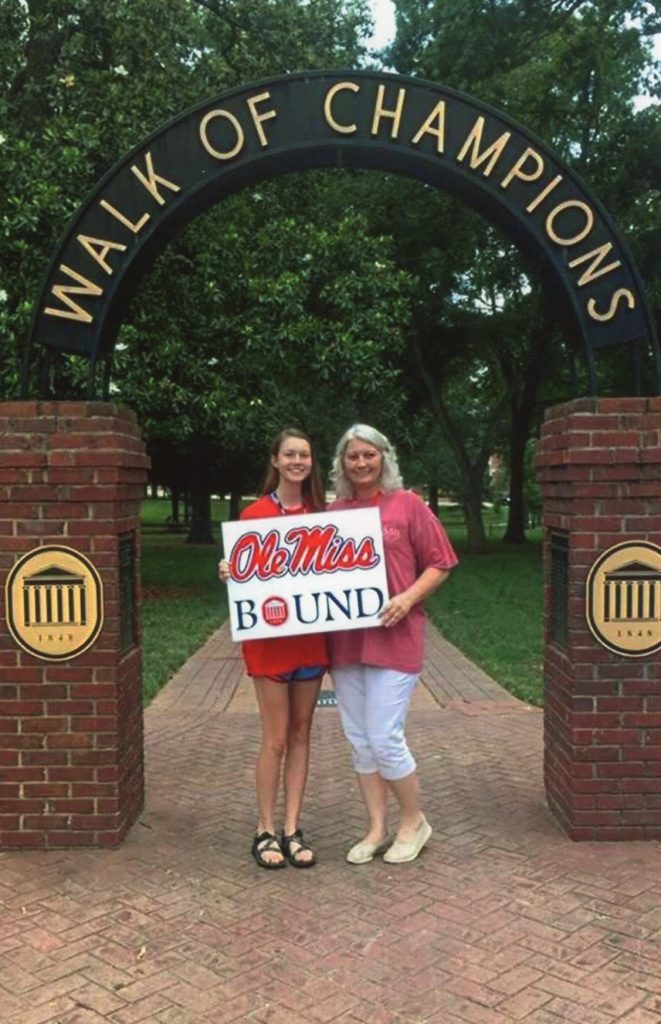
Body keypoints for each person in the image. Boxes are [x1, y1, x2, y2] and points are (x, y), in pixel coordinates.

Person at [328, 424, 458, 865]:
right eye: (352, 457)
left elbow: (441, 563)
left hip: (396, 638)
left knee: (385, 737)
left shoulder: (408, 506)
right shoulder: (334, 513)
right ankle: (377, 828)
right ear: (342, 464)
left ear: (384, 457)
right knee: (361, 740)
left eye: (369, 454)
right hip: (346, 643)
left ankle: (413, 820)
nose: (361, 463)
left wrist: (406, 598)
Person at [218, 428, 328, 869]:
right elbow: (243, 571)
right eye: (290, 454)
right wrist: (230, 570)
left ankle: (291, 828)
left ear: (311, 462)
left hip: (312, 643)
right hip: (269, 643)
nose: (298, 460)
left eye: (305, 454)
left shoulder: (325, 515)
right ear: (276, 460)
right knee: (276, 738)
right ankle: (264, 828)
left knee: (303, 735)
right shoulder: (254, 515)